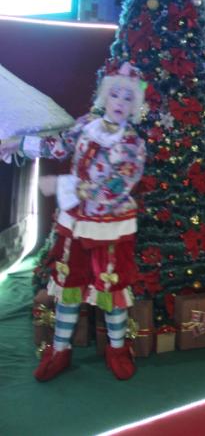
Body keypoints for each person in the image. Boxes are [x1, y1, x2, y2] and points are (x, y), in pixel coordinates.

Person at [0, 62, 147, 381]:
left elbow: (118, 187)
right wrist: (18, 143)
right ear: (105, 97)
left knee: (112, 289)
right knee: (68, 285)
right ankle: (60, 350)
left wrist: (73, 188)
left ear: (135, 106)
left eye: (127, 98)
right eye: (116, 95)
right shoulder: (86, 125)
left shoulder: (134, 144)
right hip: (75, 225)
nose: (120, 103)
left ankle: (117, 348)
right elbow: (58, 145)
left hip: (111, 229)